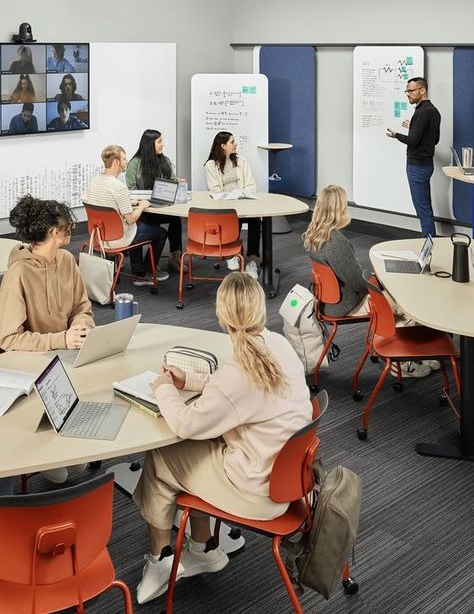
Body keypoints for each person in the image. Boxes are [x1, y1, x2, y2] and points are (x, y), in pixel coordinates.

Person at [133, 272, 313, 604]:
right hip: (288, 479)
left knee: (161, 456)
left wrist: (164, 389)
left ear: (221, 315)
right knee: (199, 447)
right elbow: (237, 390)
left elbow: (185, 424)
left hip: (258, 491)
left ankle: (160, 560)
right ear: (260, 308)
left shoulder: (238, 372)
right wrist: (192, 380)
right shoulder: (278, 345)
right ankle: (203, 548)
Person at [0, 194, 95, 484]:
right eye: (68, 225)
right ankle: (44, 447)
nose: (72, 228)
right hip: (33, 365)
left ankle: (66, 441)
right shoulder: (18, 273)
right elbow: (8, 339)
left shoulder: (67, 260)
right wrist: (60, 339)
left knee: (78, 464)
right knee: (65, 470)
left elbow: (82, 307)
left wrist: (80, 328)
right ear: (55, 232)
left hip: (68, 354)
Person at [303, 184, 434, 378]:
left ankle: (409, 354)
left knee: (392, 299)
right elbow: (357, 282)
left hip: (330, 301)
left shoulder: (313, 235)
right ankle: (403, 363)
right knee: (403, 304)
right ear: (338, 210)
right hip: (345, 304)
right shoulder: (336, 242)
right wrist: (377, 279)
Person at [83, 145, 169, 283]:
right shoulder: (118, 187)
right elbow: (130, 219)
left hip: (99, 236)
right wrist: (141, 206)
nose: (127, 161)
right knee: (160, 232)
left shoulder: (95, 181)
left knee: (139, 227)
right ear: (116, 162)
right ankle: (147, 271)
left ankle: (138, 270)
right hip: (119, 238)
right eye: (124, 158)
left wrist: (130, 201)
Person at [386, 77, 441, 238]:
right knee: (425, 207)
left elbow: (413, 141)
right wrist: (414, 127)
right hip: (426, 165)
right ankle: (430, 242)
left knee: (422, 209)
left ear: (422, 90)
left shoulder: (422, 112)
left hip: (417, 166)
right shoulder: (433, 110)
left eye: (411, 91)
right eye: (407, 91)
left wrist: (396, 135)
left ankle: (428, 245)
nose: (408, 94)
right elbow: (434, 139)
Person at [126, 129, 185, 273]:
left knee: (176, 220)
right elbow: (130, 190)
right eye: (159, 142)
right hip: (143, 209)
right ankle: (142, 267)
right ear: (149, 144)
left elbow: (172, 180)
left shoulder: (165, 161)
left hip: (162, 205)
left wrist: (177, 182)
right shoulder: (135, 163)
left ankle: (174, 257)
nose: (162, 145)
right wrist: (143, 200)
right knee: (138, 225)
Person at [204, 132, 261, 279]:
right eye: (232, 142)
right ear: (223, 146)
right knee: (232, 221)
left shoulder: (241, 161)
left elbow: (250, 185)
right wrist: (230, 197)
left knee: (256, 221)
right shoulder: (211, 165)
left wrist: (240, 195)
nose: (235, 144)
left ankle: (252, 261)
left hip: (242, 204)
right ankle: (230, 254)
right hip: (225, 208)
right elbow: (214, 191)